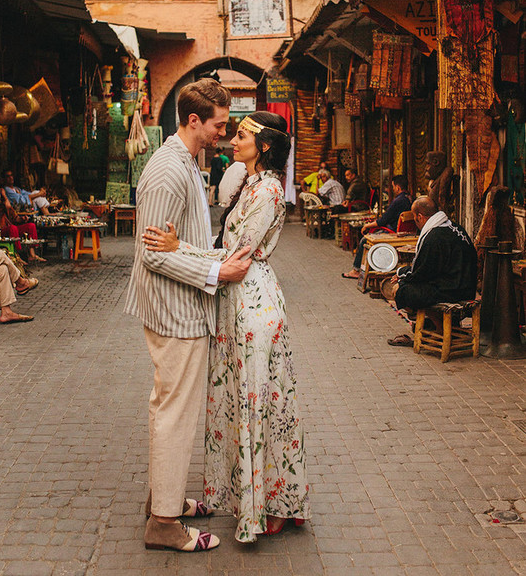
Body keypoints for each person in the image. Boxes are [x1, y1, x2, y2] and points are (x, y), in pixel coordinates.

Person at [144, 111, 310, 543]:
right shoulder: (249, 184)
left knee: (261, 405)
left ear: (265, 145)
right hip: (235, 300)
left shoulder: (269, 190)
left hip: (253, 303)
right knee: (246, 403)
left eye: (241, 136)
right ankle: (258, 498)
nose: (232, 141)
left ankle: (269, 505)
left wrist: (180, 249)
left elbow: (236, 255)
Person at [124, 78, 252, 554]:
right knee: (175, 413)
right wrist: (217, 269)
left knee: (168, 407)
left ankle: (166, 498)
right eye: (219, 125)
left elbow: (175, 243)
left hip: (181, 305)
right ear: (194, 120)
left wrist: (203, 256)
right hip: (174, 310)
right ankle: (163, 523)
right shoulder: (166, 171)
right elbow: (152, 255)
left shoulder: (186, 162)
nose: (224, 133)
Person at [384, 196, 478, 346]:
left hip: (452, 291)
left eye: (415, 219)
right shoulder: (455, 228)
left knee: (401, 290)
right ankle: (445, 326)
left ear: (420, 217)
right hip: (466, 288)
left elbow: (421, 273)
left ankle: (441, 329)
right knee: (412, 286)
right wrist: (404, 272)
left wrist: (402, 276)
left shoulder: (433, 237)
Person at [342, 174, 412, 279]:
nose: (392, 189)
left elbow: (383, 221)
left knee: (364, 241)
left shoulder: (398, 201)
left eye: (393, 187)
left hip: (393, 232)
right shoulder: (410, 198)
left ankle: (356, 270)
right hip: (408, 233)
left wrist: (367, 225)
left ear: (397, 187)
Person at [0, 183, 45, 263]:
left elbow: (14, 218)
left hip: (10, 229)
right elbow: (0, 213)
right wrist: (5, 198)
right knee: (13, 228)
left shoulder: (4, 202)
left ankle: (32, 255)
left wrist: (22, 219)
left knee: (31, 226)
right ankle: (17, 256)